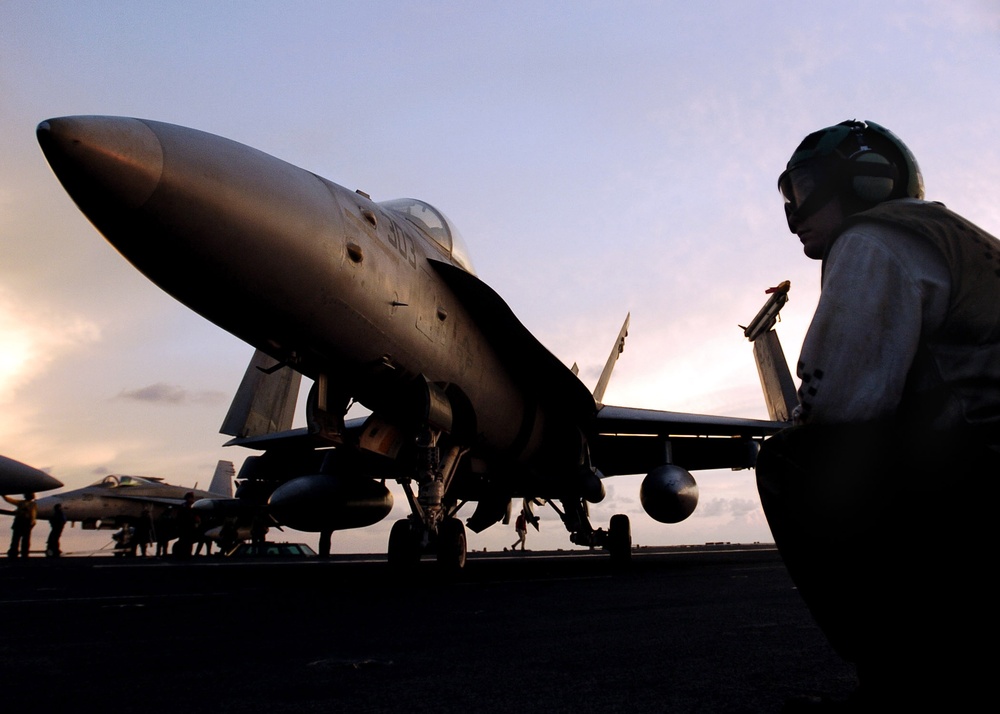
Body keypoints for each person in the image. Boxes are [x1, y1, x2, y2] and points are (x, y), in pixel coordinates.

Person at [758, 120, 1000, 709]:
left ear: (869, 181)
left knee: (796, 460)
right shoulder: (961, 238)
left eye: (806, 189)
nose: (794, 215)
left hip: (980, 479)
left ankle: (898, 673)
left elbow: (839, 400)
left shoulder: (873, 240)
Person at [5, 492, 37, 558]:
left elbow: (10, 500)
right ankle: (24, 554)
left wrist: (4, 496)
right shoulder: (33, 504)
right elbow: (33, 515)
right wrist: (32, 523)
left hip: (20, 523)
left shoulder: (21, 503)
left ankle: (14, 553)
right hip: (25, 523)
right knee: (24, 540)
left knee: (16, 540)